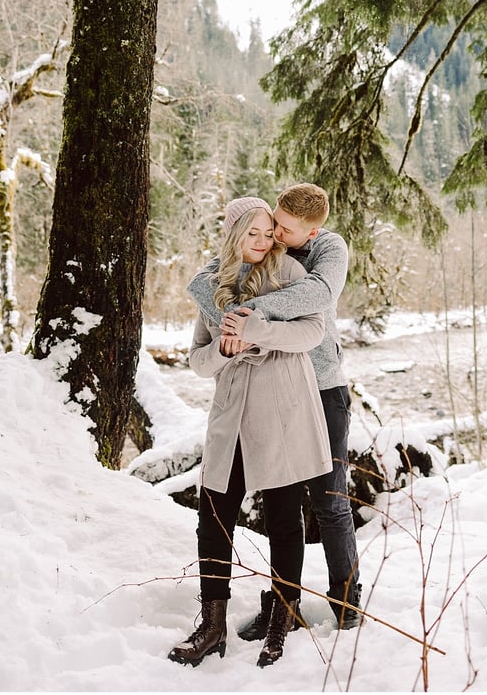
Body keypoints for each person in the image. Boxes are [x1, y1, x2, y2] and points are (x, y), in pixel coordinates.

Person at [187, 182, 362, 636]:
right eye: (270, 226)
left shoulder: (327, 249)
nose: (275, 236)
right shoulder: (262, 246)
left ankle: (346, 600)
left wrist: (246, 316)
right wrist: (216, 296)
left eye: (283, 229)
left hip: (322, 387)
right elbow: (215, 274)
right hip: (271, 392)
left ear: (312, 229)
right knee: (278, 501)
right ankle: (281, 603)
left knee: (328, 499)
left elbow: (317, 298)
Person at [168, 196, 332, 670]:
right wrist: (223, 348)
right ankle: (213, 625)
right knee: (214, 517)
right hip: (230, 415)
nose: (262, 241)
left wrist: (260, 331)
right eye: (251, 233)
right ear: (233, 234)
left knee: (284, 517)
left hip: (281, 411)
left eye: (267, 232)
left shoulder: (290, 278)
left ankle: (282, 617)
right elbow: (198, 361)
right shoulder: (214, 289)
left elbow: (312, 335)